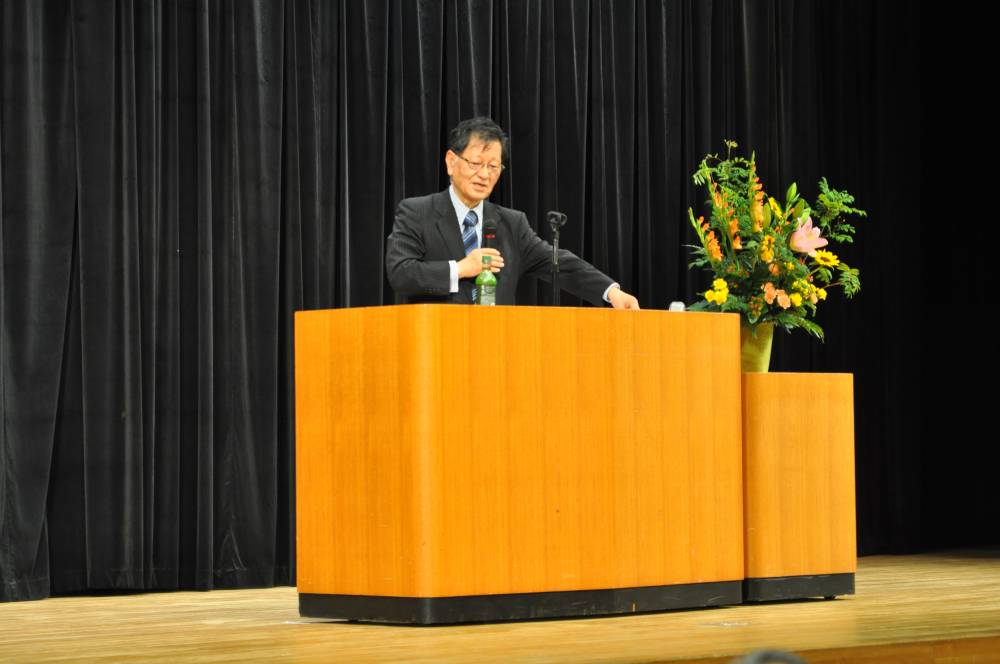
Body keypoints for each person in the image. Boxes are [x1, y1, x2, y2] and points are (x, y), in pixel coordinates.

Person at [385, 117, 640, 309]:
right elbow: (401, 273)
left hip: (498, 348)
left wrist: (612, 292)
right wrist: (460, 268)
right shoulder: (417, 212)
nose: (484, 174)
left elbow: (558, 263)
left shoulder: (511, 223)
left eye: (493, 166)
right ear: (451, 162)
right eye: (475, 164)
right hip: (438, 345)